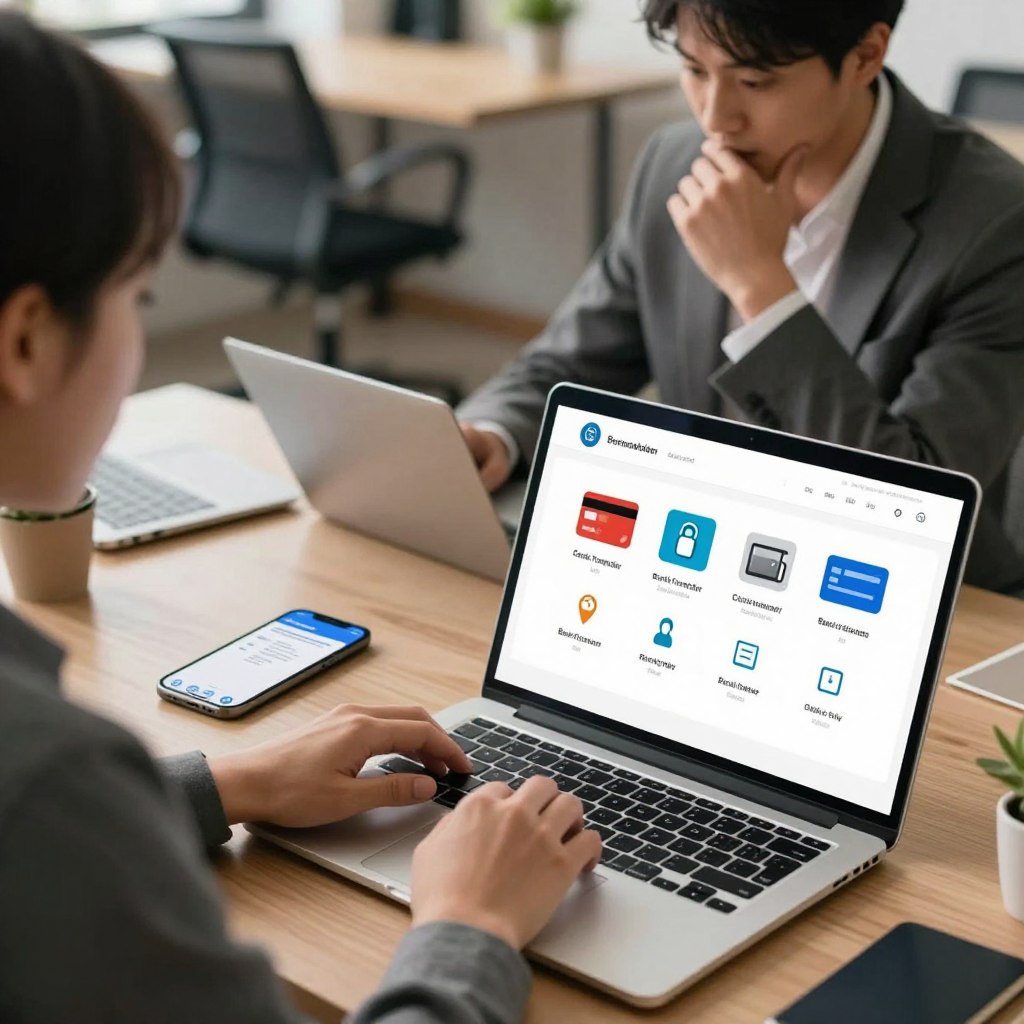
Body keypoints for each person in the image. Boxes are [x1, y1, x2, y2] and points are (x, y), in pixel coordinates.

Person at [0, 13, 600, 1023]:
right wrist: (470, 923)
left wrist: (226, 784)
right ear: (26, 342)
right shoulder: (50, 786)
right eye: (138, 298)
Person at [458, 0, 1024, 594]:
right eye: (695, 71)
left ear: (865, 55)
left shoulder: (996, 225)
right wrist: (492, 433)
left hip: (911, 605)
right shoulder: (675, 164)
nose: (716, 118)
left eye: (755, 81)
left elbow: (914, 506)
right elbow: (569, 359)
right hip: (701, 570)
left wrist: (760, 287)